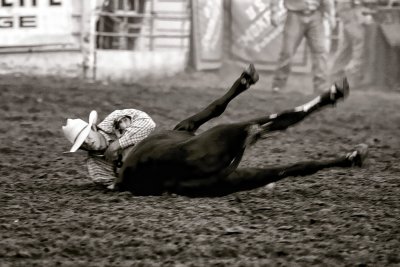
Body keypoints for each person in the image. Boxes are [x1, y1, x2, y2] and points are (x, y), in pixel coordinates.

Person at [109, 64, 368, 197]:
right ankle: (325, 100)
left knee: (278, 173)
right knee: (267, 124)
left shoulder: (131, 171)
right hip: (198, 160)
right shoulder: (160, 138)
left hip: (201, 187)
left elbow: (212, 109)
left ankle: (346, 161)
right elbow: (212, 109)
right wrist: (239, 86)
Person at [62, 108, 156, 187]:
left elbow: (149, 123)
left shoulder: (114, 119)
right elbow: (119, 185)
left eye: (88, 136)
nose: (88, 142)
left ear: (93, 128)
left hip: (160, 148)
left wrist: (116, 145)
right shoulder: (96, 170)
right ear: (81, 148)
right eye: (82, 144)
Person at [270, 0, 336, 93]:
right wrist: (274, 11)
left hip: (315, 15)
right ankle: (278, 85)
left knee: (320, 51)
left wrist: (331, 14)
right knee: (287, 52)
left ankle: (321, 86)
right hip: (294, 15)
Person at [329, 0, 369, 85]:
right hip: (349, 6)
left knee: (347, 44)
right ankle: (352, 74)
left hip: (346, 6)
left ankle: (335, 72)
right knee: (358, 41)